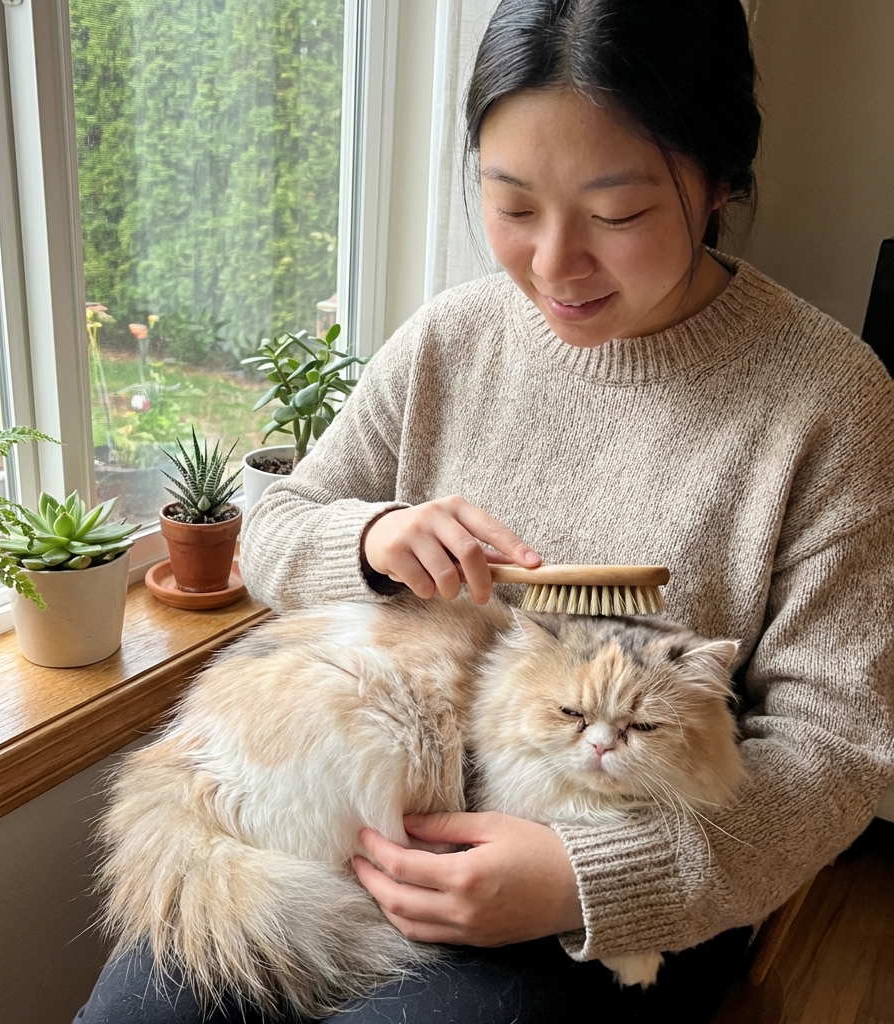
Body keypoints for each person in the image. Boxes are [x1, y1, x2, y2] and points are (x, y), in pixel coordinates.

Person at [76, 1, 894, 1021]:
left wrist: (585, 876)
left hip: (641, 871)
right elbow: (278, 529)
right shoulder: (453, 339)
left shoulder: (830, 398)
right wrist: (369, 540)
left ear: (720, 178)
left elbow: (837, 742)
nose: (554, 265)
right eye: (511, 206)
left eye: (617, 215)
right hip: (392, 799)